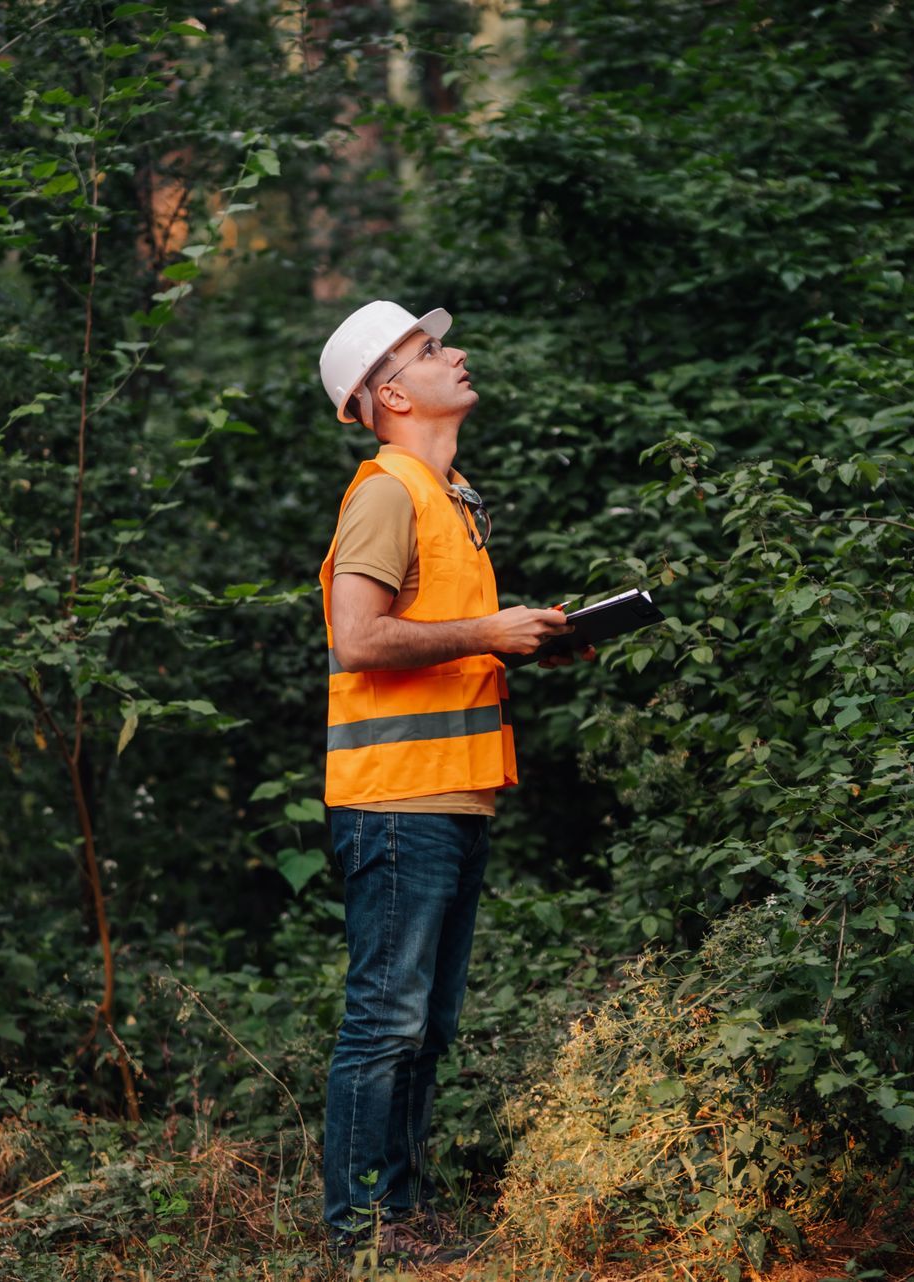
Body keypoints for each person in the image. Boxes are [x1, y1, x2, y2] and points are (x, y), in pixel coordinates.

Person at [315, 301, 591, 1262]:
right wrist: (487, 631)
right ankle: (358, 1234)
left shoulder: (452, 493)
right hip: (397, 801)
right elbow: (358, 639)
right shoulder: (388, 491)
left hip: (448, 797)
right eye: (432, 350)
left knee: (424, 1030)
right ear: (391, 392)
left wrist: (523, 644)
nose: (456, 352)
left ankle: (401, 1216)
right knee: (386, 1024)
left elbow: (432, 644)